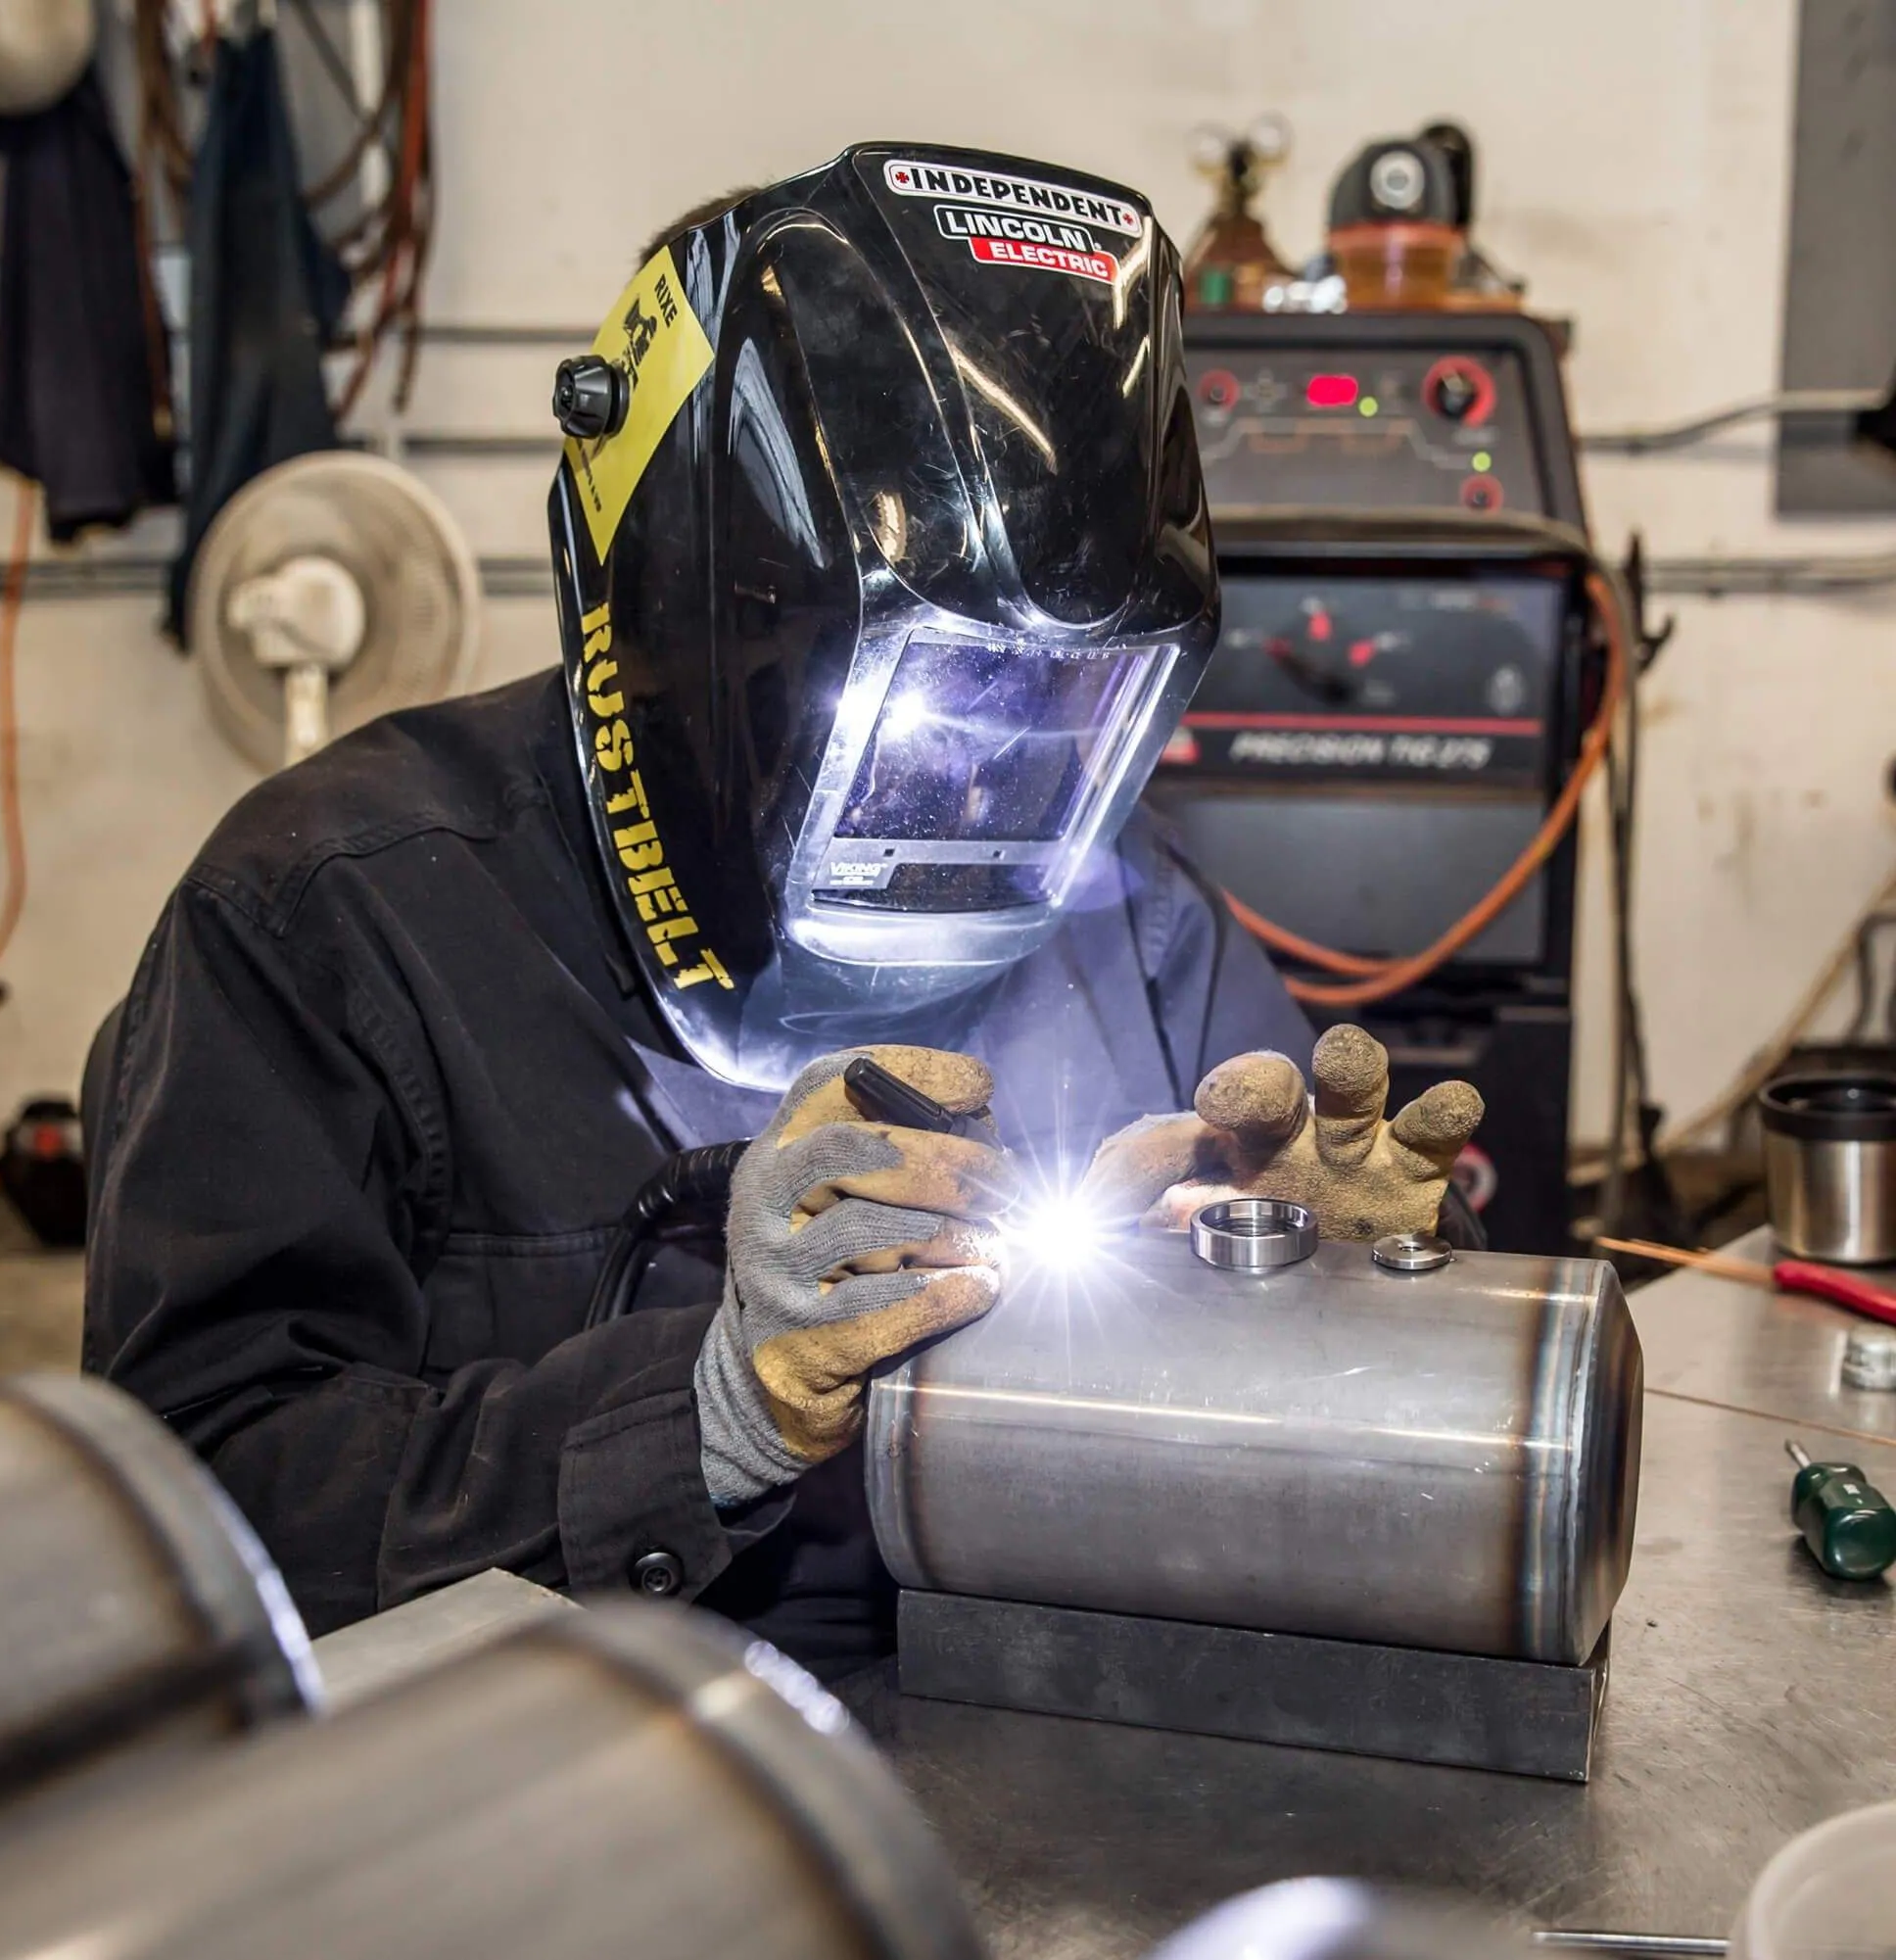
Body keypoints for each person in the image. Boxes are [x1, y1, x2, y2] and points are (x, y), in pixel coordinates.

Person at [84, 145, 1482, 1677]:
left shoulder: (1130, 912)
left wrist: (1358, 1293)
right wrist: (705, 1412)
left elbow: (1379, 1416)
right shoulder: (329, 919)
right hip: (542, 1788)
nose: (978, 791)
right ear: (687, 640)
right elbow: (187, 1516)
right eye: (936, 702)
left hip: (1037, 1738)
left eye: (1061, 707)